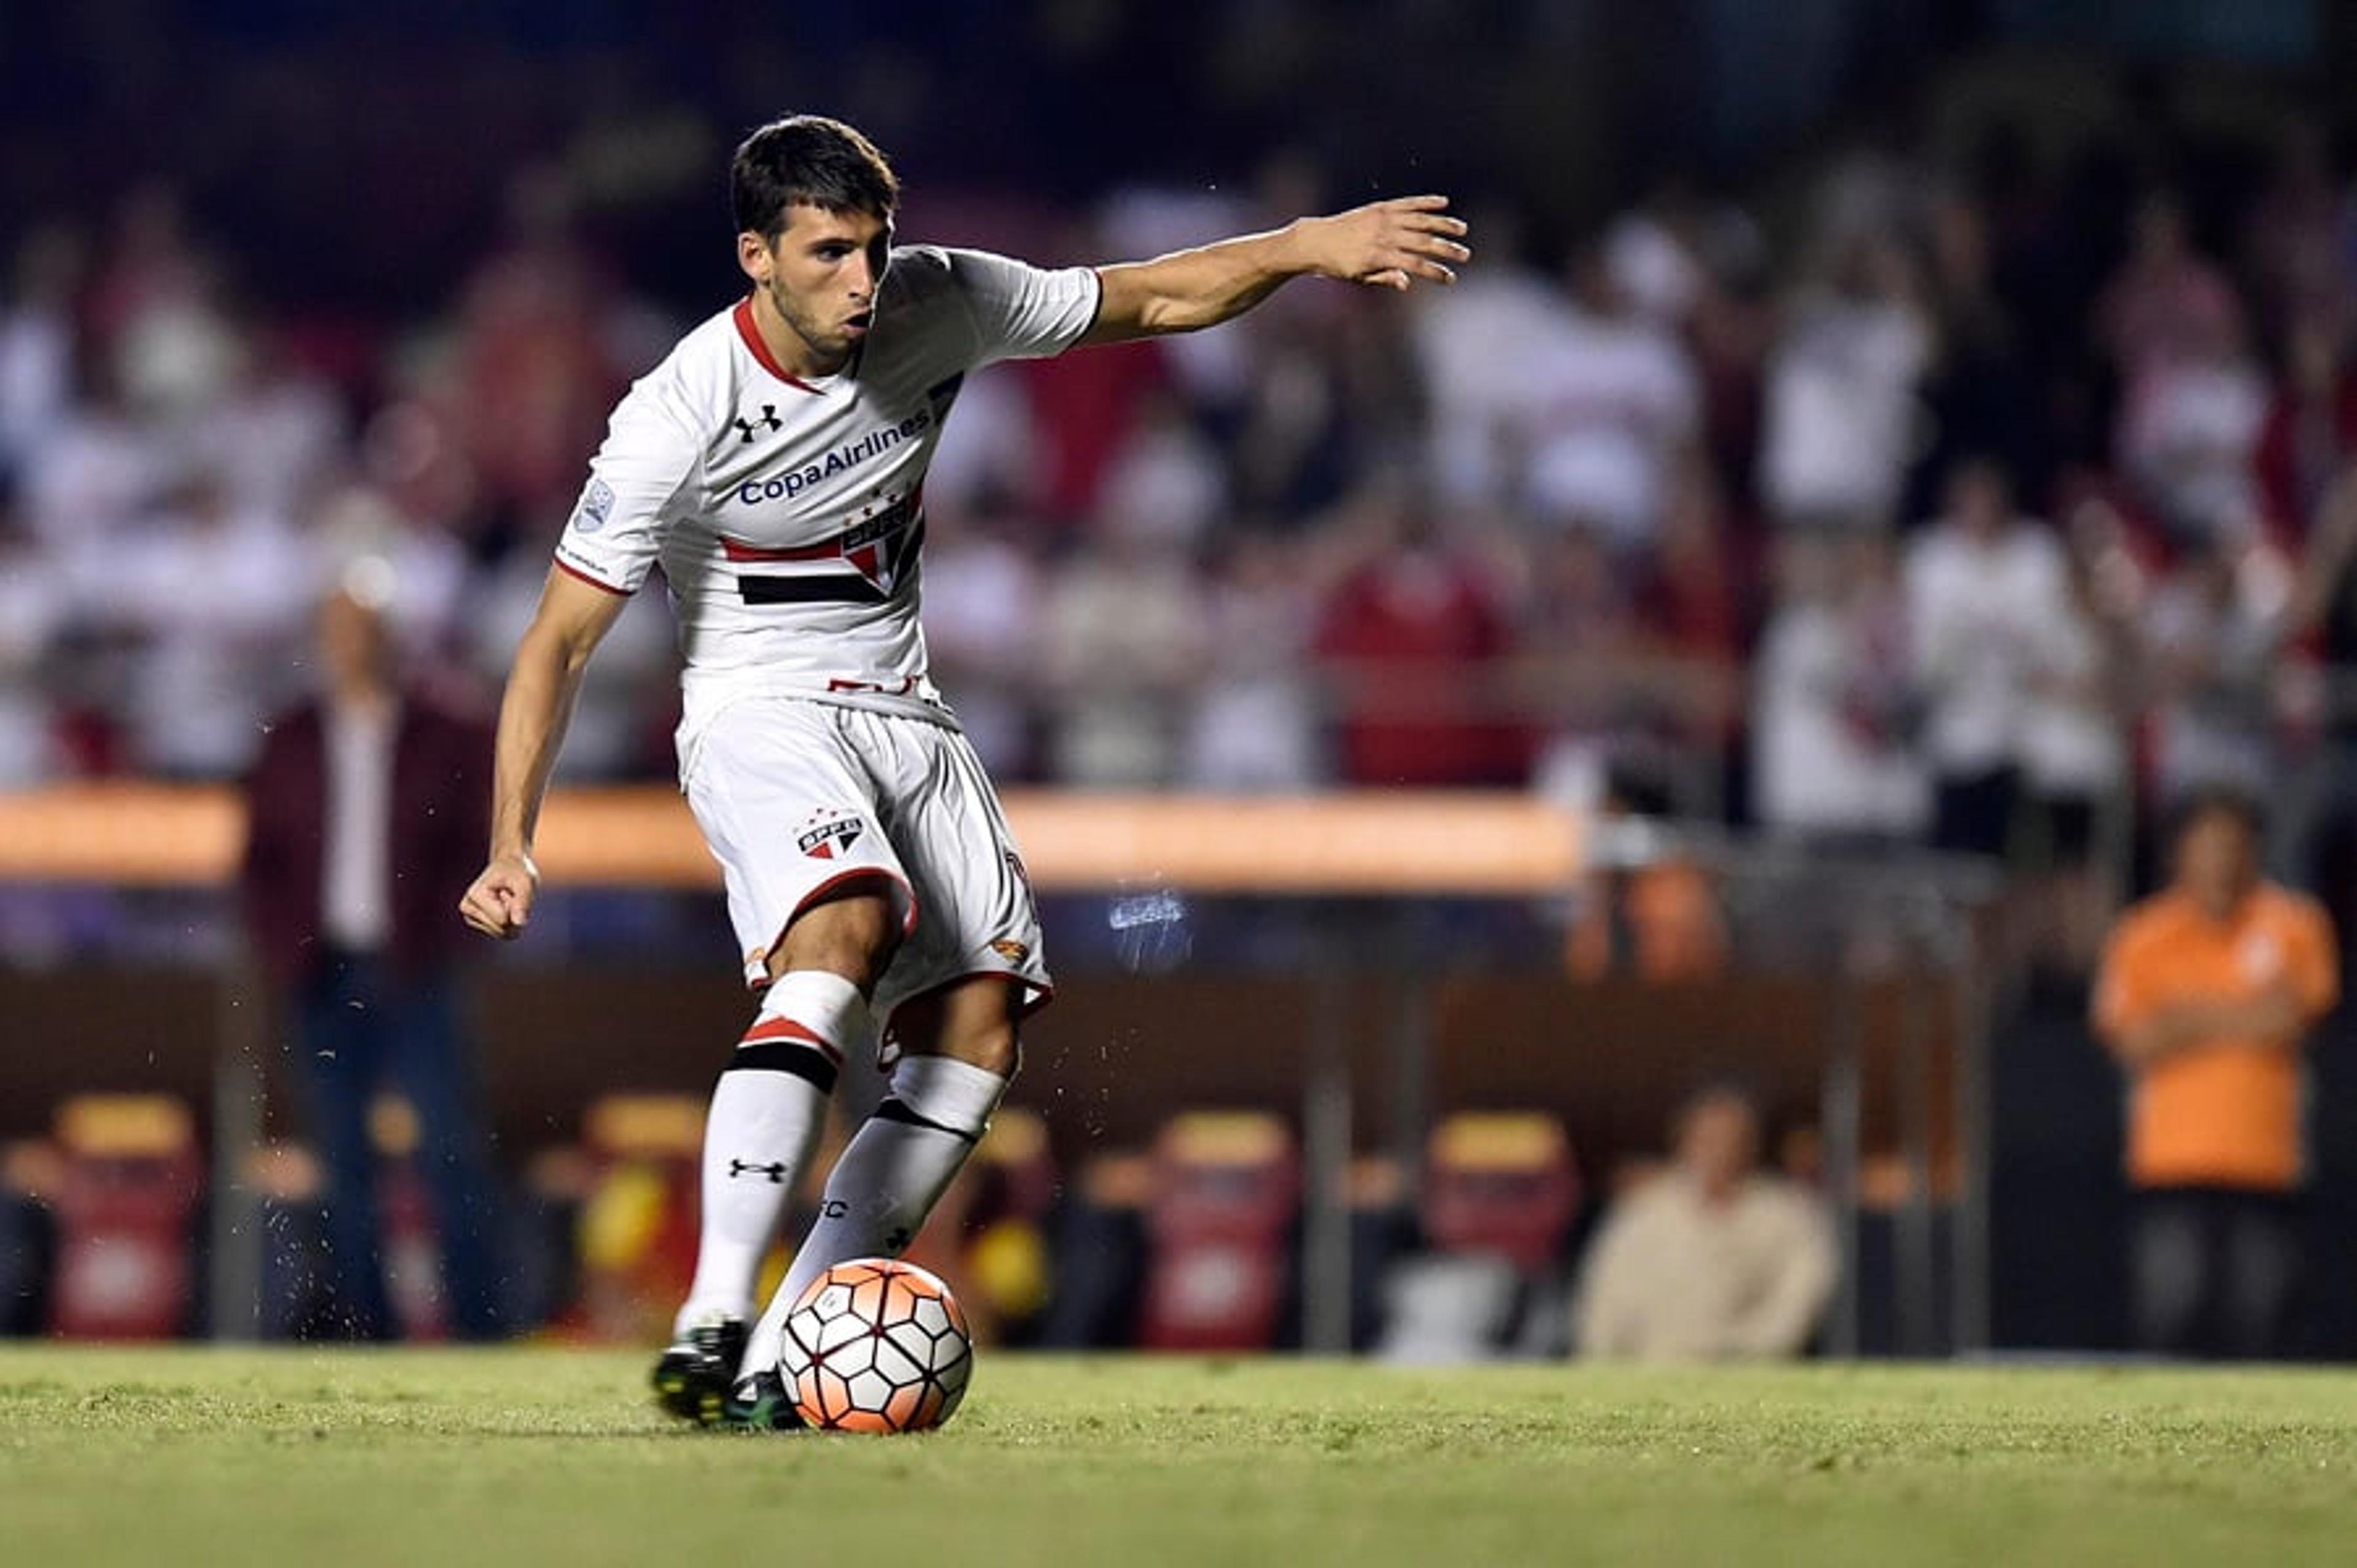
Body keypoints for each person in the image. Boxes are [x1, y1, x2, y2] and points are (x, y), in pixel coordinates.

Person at [457, 114, 1469, 1426]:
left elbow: (1152, 294)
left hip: (906, 712)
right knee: (845, 924)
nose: (862, 281)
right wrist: (510, 839)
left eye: (871, 247)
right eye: (828, 254)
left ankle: (776, 1354)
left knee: (977, 1035)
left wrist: (1302, 247)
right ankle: (710, 1314)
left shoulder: (939, 295)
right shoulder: (677, 407)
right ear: (755, 254)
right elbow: (556, 640)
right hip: (758, 707)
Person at [240, 566, 504, 1338]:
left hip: (415, 968)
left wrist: (448, 937)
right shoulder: (291, 736)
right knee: (343, 1160)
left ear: (392, 637)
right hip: (323, 971)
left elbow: (471, 844)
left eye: (364, 628)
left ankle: (479, 1329)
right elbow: (261, 858)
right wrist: (282, 946)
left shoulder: (445, 730)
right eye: (339, 628)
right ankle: (368, 1329)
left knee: (449, 1149)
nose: (351, 645)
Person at [2091, 787, 2337, 1358]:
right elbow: (2134, 1038)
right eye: (2207, 845)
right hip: (2171, 1157)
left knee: (2268, 1312)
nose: (2220, 860)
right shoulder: (2142, 934)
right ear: (2179, 852)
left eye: (2232, 844)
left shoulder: (2295, 924)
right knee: (2170, 1311)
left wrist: (2184, 1014)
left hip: (2268, 1156)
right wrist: (2243, 1011)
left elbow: (2292, 1019)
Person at [1572, 1083, 1833, 1361]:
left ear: (1752, 1145)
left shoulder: (1787, 1215)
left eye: (1733, 1139)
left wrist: (1736, 1352)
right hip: (1653, 1371)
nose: (1720, 1150)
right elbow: (1604, 1308)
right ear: (1684, 1140)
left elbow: (1798, 1303)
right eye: (1708, 1138)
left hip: (1749, 1375)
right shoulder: (1642, 1215)